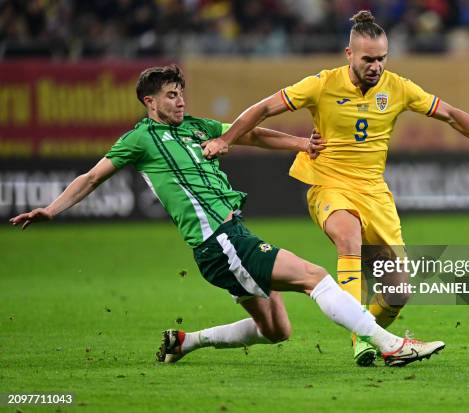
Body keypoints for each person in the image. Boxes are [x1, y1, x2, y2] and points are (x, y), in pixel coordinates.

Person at [9, 64, 445, 367]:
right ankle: (387, 344)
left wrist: (299, 144)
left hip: (227, 239)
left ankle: (186, 342)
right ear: (149, 101)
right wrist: (51, 208)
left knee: (277, 330)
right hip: (220, 241)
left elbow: (251, 133)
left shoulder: (196, 126)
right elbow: (91, 177)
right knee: (314, 275)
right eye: (170, 96)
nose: (179, 101)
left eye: (182, 93)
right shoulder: (139, 140)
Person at [202, 10, 469, 366]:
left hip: (374, 194)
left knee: (398, 291)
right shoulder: (321, 84)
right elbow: (263, 109)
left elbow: (450, 114)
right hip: (328, 184)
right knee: (347, 236)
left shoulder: (398, 88)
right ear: (349, 54)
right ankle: (366, 334)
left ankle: (363, 337)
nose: (376, 66)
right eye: (368, 59)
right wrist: (227, 139)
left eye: (382, 58)